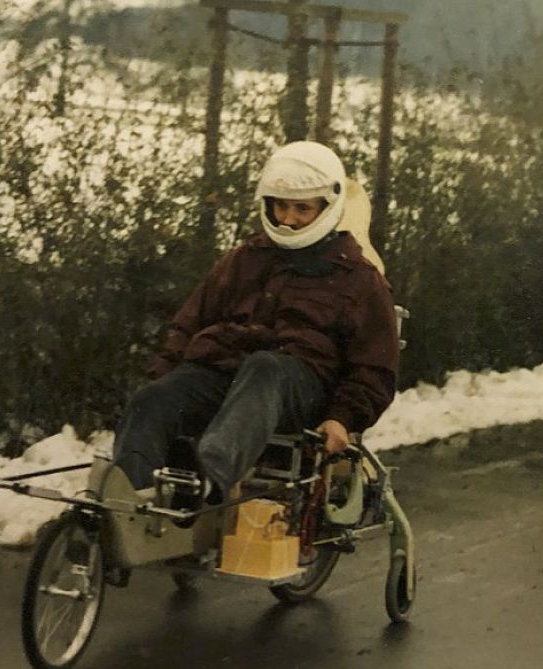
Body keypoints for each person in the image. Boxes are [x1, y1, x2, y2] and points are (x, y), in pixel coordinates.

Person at [111, 141, 399, 502]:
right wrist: (164, 380)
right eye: (281, 205)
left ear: (328, 207)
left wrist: (343, 417)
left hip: (300, 388)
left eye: (302, 209)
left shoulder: (358, 278)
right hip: (228, 374)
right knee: (155, 398)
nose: (288, 219)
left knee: (265, 367)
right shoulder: (245, 259)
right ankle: (124, 502)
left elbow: (375, 369)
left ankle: (209, 481)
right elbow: (189, 324)